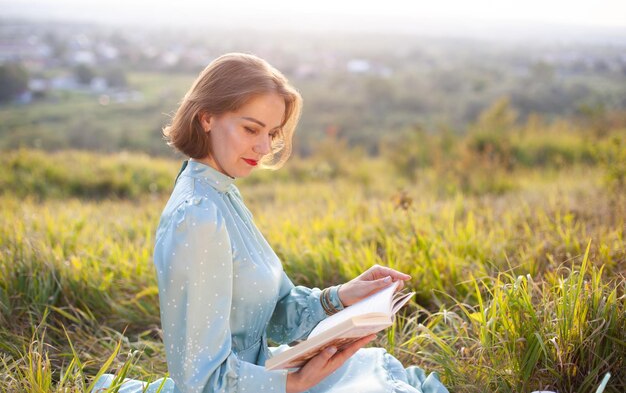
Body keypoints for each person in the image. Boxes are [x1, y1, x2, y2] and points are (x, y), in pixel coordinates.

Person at [93, 53, 449, 393]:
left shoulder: (220, 191)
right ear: (206, 118)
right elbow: (199, 382)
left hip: (261, 375)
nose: (264, 147)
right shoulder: (198, 216)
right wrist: (293, 384)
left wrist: (339, 296)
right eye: (251, 129)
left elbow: (271, 312)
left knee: (382, 376)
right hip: (253, 386)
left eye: (273, 134)